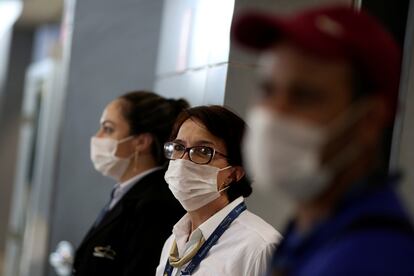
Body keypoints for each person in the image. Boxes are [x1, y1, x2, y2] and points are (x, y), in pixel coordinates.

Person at [232, 5, 414, 275]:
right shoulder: (313, 229)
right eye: (268, 90)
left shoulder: (371, 259)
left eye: (303, 96)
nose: (273, 114)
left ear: (369, 120)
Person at [155, 105, 281, 276]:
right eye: (178, 147)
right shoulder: (174, 242)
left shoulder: (260, 248)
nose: (183, 161)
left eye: (203, 151)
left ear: (234, 174)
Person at [72, 91, 188, 275]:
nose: (98, 137)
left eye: (108, 129)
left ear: (141, 142)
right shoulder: (125, 192)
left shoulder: (156, 205)